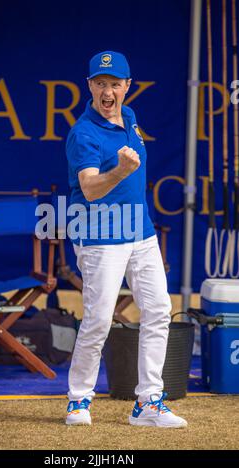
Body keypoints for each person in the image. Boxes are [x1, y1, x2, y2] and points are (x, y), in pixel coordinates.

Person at [65, 51, 187, 428]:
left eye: (115, 84)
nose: (108, 91)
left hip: (141, 232)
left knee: (158, 311)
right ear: (89, 86)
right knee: (99, 320)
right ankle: (78, 400)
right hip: (99, 236)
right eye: (100, 83)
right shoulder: (81, 133)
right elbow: (89, 188)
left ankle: (149, 403)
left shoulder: (130, 117)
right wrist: (120, 170)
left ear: (127, 87)